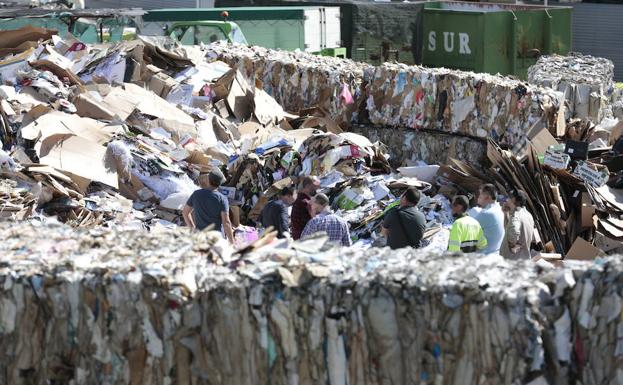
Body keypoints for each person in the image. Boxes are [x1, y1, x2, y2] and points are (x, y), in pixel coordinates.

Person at [183, 168, 234, 244]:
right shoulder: (222, 199)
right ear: (219, 184)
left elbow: (185, 213)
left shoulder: (196, 194)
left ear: (208, 180)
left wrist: (192, 229)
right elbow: (226, 222)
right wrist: (232, 242)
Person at [500, 190, 535, 260]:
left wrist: (512, 246)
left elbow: (513, 233)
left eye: (508, 198)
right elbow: (509, 230)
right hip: (523, 260)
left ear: (513, 200)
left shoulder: (516, 215)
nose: (506, 201)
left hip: (513, 262)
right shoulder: (528, 215)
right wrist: (505, 214)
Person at [475, 184, 505, 254]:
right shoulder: (499, 209)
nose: (478, 198)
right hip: (495, 253)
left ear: (487, 197)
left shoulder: (487, 213)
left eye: (480, 196)